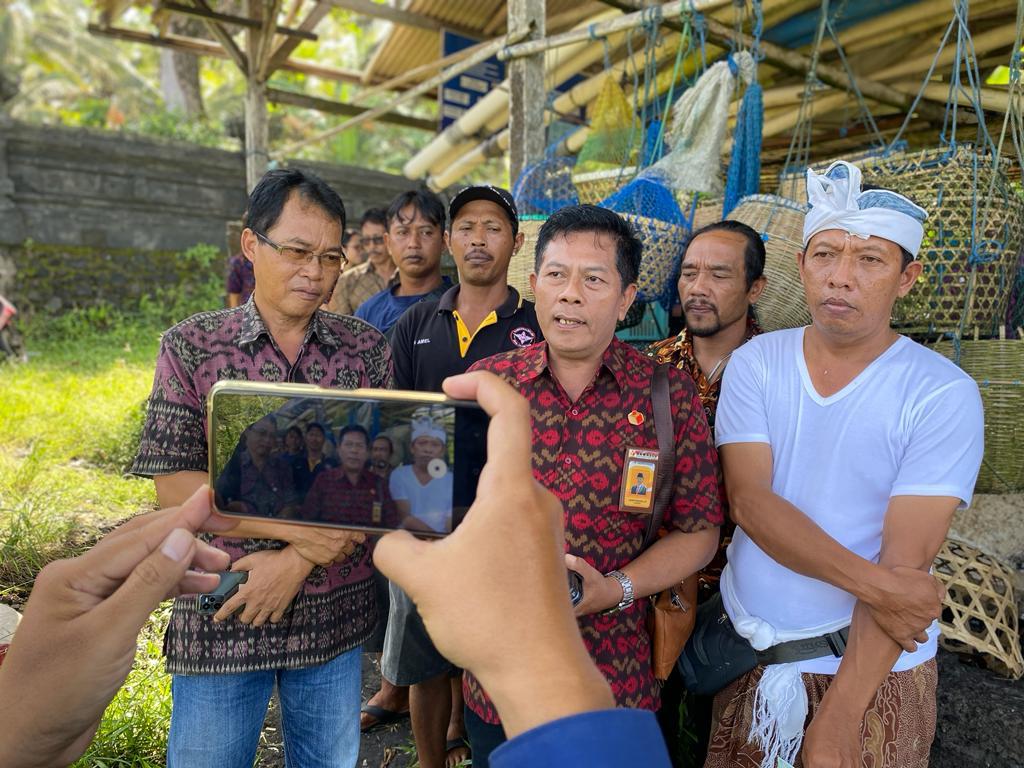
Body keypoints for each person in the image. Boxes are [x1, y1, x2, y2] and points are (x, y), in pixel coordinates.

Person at [0, 373, 672, 768]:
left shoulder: (390, 456)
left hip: (331, 630)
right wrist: (540, 661)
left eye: (330, 254)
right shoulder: (209, 361)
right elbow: (179, 483)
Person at [707, 161, 984, 768]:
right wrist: (882, 588)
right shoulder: (758, 363)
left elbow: (905, 563)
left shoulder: (940, 391)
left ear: (907, 277)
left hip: (871, 676)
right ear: (801, 265)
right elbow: (750, 504)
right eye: (825, 254)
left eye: (870, 260)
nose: (841, 277)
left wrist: (839, 717)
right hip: (751, 659)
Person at [130, 168, 393, 768]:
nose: (315, 271)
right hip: (224, 610)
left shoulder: (365, 350)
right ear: (252, 246)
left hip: (333, 616)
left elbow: (379, 481)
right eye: (297, 251)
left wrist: (295, 562)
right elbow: (174, 487)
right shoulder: (192, 347)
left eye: (330, 257)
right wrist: (302, 534)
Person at [466, 204, 723, 767]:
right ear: (533, 286)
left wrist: (617, 588)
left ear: (627, 298)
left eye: (594, 279)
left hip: (618, 677)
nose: (571, 294)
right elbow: (447, 509)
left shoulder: (667, 396)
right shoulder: (492, 387)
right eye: (556, 275)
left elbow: (700, 531)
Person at [380, 184, 543, 767]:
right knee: (424, 663)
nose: (479, 239)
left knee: (492, 656)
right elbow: (388, 419)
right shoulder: (415, 322)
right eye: (467, 227)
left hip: (502, 525)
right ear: (450, 241)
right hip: (422, 520)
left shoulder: (536, 327)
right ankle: (428, 760)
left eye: (493, 227)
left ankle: (482, 749)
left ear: (517, 242)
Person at [646, 218, 766, 758]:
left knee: (726, 731)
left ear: (755, 288)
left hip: (747, 583)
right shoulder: (648, 368)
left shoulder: (782, 372)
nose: (698, 286)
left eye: (718, 274)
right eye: (689, 272)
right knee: (656, 721)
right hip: (661, 578)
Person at [354, 190, 452, 335]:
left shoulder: (461, 306)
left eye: (426, 232)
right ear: (388, 242)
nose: (413, 243)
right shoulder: (368, 313)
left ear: (444, 241)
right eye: (402, 232)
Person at [302, 425, 399, 527]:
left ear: (367, 453)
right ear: (339, 450)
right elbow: (307, 519)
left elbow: (391, 524)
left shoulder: (378, 484)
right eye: (348, 445)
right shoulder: (324, 480)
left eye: (359, 445)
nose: (354, 450)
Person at [214, 414, 299, 518]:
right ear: (247, 432)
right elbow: (220, 503)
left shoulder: (282, 467)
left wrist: (277, 524)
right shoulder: (232, 464)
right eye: (262, 433)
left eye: (272, 436)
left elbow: (291, 503)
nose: (267, 440)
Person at [327, 208, 393, 316]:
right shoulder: (348, 281)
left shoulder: (408, 276)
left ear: (389, 238)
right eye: (366, 241)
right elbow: (338, 328)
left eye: (378, 240)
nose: (372, 246)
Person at [291, 421, 338, 493]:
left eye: (318, 435)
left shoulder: (332, 465)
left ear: (324, 439)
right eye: (311, 434)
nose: (314, 439)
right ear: (305, 438)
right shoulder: (296, 463)